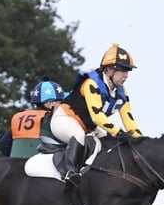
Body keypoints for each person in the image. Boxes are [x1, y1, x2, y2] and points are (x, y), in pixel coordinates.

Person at [51, 43, 143, 188]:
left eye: (128, 71)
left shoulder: (122, 91)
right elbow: (97, 116)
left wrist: (140, 140)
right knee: (78, 135)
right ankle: (70, 173)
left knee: (109, 143)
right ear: (109, 70)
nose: (126, 76)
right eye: (122, 71)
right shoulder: (92, 84)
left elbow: (129, 119)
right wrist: (119, 133)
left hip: (88, 127)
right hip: (64, 119)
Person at [0, 77, 68, 158]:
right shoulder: (52, 118)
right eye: (60, 102)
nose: (62, 106)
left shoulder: (19, 117)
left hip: (15, 161)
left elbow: (3, 146)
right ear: (49, 103)